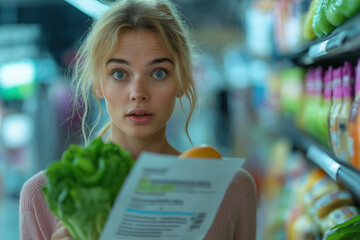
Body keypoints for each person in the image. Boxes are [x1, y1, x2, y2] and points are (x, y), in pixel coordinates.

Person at [19, 0, 257, 239]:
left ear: (182, 82)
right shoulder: (43, 195)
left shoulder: (231, 189)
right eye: (119, 73)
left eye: (158, 72)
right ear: (99, 85)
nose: (138, 92)